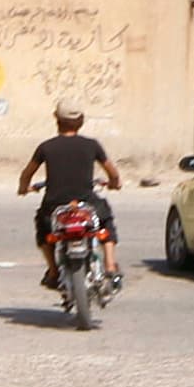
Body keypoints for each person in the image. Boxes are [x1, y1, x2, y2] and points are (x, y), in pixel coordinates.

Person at [19, 99, 123, 290]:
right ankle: (110, 265)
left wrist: (24, 188)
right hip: (86, 204)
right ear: (81, 121)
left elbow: (27, 174)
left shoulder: (46, 147)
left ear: (56, 120)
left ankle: (53, 271)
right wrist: (114, 184)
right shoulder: (92, 145)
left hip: (54, 207)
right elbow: (113, 173)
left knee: (44, 231)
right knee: (105, 220)